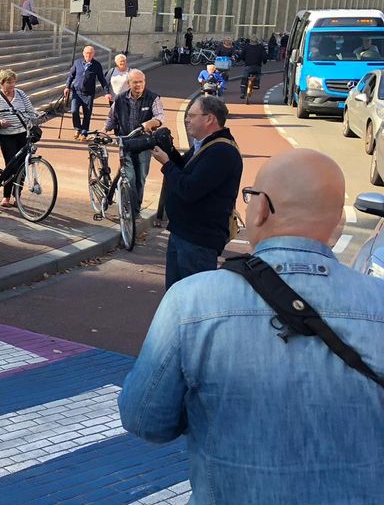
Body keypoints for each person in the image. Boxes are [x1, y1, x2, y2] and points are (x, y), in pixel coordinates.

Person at [119, 148, 384, 503]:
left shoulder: (192, 301)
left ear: (260, 209)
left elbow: (145, 420)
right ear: (338, 225)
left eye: (251, 197)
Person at [151, 94, 242, 288]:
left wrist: (166, 163)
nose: (186, 120)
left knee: (193, 300)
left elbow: (190, 189)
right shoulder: (206, 145)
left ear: (209, 119)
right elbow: (185, 170)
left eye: (192, 116)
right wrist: (171, 152)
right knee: (176, 298)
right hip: (183, 233)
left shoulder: (221, 152)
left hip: (198, 241)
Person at [105, 69, 165, 214]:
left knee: (140, 178)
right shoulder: (119, 99)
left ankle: (135, 210)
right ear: (128, 84)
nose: (138, 85)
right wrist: (104, 129)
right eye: (135, 82)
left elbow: (160, 117)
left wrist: (151, 123)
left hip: (144, 143)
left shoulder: (153, 98)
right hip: (125, 142)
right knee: (130, 177)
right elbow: (111, 118)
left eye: (141, 82)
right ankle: (128, 208)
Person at [0, 69, 38, 208]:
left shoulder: (21, 94)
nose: (12, 85)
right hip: (6, 135)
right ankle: (6, 196)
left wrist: (34, 117)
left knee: (23, 165)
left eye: (13, 82)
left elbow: (30, 111)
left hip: (22, 133)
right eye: (9, 82)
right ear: (2, 83)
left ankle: (17, 195)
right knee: (12, 164)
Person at [63, 45, 109, 140]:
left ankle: (84, 132)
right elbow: (71, 76)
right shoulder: (77, 63)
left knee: (87, 114)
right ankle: (77, 128)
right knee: (74, 111)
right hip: (77, 92)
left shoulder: (96, 65)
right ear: (83, 53)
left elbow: (102, 79)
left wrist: (107, 92)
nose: (88, 55)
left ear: (93, 54)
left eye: (90, 53)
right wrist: (67, 87)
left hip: (89, 94)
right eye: (87, 53)